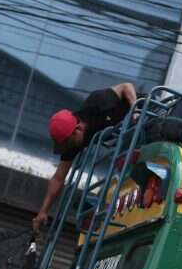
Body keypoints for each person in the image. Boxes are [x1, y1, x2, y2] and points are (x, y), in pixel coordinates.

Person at [33, 82, 138, 230]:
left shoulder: (97, 102)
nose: (68, 148)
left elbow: (126, 86)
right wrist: (43, 211)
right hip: (132, 140)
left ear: (78, 129)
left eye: (68, 143)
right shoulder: (72, 143)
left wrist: (135, 111)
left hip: (148, 116)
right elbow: (58, 178)